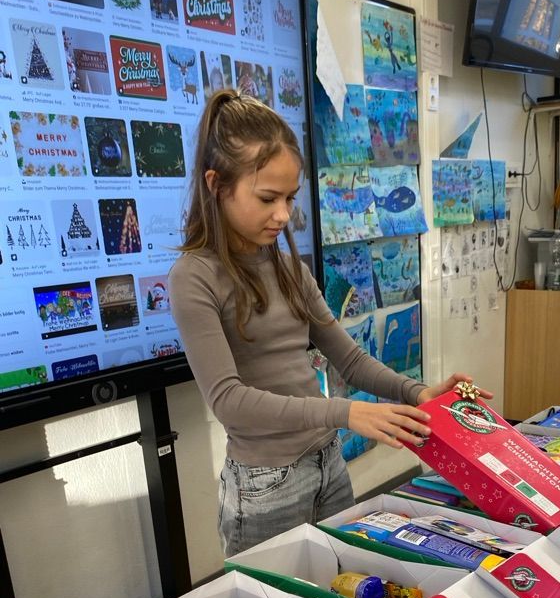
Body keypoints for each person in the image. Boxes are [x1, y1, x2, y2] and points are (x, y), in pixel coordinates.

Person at [170, 90, 488, 557]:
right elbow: (230, 401)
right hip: (265, 484)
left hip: (328, 465)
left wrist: (417, 392)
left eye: (289, 198)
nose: (283, 215)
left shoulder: (289, 270)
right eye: (267, 198)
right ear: (217, 185)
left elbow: (351, 361)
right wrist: (345, 413)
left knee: (343, 585)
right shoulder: (194, 277)